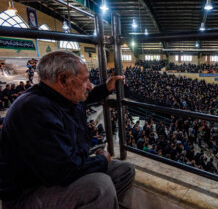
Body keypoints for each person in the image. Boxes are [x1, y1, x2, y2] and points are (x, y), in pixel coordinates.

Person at [0, 51, 135, 209]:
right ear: (63, 80)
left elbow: (87, 97)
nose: (89, 85)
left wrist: (106, 87)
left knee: (125, 170)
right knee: (100, 187)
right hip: (29, 193)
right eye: (85, 80)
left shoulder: (63, 95)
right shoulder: (33, 110)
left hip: (60, 172)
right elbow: (62, 171)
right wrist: (102, 160)